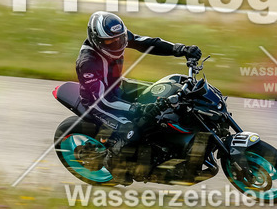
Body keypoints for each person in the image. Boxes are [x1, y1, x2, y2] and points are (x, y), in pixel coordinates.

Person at [76, 11, 201, 166]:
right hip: (98, 105)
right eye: (110, 42)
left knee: (166, 91)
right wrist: (137, 108)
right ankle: (114, 164)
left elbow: (147, 43)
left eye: (120, 38)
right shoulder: (88, 64)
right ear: (97, 40)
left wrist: (180, 49)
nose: (118, 44)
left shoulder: (118, 37)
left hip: (117, 86)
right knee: (133, 132)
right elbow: (103, 101)